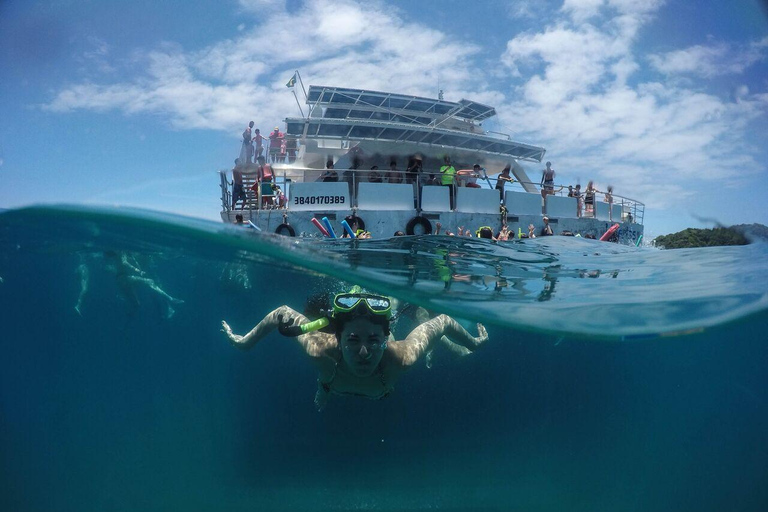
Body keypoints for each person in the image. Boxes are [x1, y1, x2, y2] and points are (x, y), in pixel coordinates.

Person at [221, 286, 488, 410]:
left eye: (373, 341)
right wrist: (245, 343)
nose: (363, 353)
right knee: (325, 382)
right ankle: (323, 388)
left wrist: (473, 344)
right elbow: (281, 313)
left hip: (375, 390)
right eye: (352, 341)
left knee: (422, 326)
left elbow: (440, 322)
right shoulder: (320, 349)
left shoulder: (402, 356)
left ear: (386, 338)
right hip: (331, 383)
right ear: (337, 337)